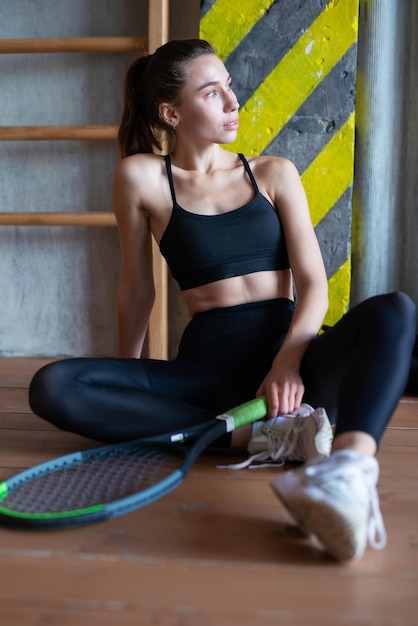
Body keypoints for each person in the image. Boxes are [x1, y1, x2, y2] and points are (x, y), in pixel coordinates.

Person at [29, 39, 416, 561]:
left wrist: (287, 364)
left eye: (229, 87)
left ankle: (346, 471)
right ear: (171, 113)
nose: (233, 102)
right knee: (53, 385)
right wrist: (128, 386)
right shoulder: (142, 177)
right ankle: (259, 437)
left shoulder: (273, 173)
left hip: (294, 369)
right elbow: (137, 289)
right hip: (208, 375)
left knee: (396, 311)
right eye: (213, 93)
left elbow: (314, 285)